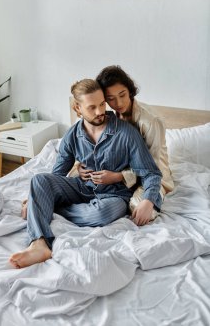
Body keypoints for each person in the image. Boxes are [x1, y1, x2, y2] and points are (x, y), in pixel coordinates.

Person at [10, 79, 162, 269]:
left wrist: (148, 200)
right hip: (82, 188)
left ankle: (44, 206)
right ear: (77, 108)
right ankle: (39, 243)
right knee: (39, 180)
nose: (100, 112)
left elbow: (151, 172)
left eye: (101, 104)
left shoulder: (126, 133)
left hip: (113, 195)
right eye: (92, 107)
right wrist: (36, 193)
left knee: (101, 213)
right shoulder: (73, 134)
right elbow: (57, 174)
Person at [77, 65, 174, 220]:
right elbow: (90, 143)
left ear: (129, 90)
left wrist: (118, 177)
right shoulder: (107, 116)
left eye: (122, 95)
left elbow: (152, 169)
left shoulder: (151, 122)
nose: (119, 103)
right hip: (115, 173)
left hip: (150, 175)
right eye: (110, 99)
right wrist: (79, 166)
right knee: (76, 184)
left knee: (137, 208)